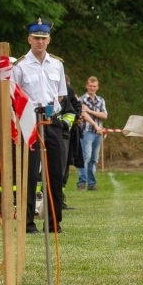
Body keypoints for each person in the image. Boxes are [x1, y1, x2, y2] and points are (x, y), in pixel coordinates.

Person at [12, 18, 67, 234]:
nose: (40, 42)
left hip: (52, 121)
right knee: (29, 173)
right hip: (30, 122)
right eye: (36, 38)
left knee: (55, 174)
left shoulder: (57, 64)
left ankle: (53, 222)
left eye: (43, 38)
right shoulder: (20, 66)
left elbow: (60, 95)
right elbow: (14, 97)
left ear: (49, 40)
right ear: (29, 39)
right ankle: (27, 222)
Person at [77, 76, 108, 191]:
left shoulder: (101, 100)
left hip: (97, 133)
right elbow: (83, 114)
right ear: (86, 86)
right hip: (86, 131)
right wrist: (95, 122)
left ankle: (92, 184)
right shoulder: (81, 100)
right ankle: (82, 182)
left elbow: (104, 115)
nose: (92, 88)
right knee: (86, 157)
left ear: (97, 87)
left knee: (94, 159)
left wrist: (90, 111)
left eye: (94, 86)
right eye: (90, 86)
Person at [58, 76, 80, 209]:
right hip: (49, 134)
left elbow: (75, 109)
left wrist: (66, 124)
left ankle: (59, 199)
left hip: (65, 135)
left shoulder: (68, 91)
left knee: (63, 167)